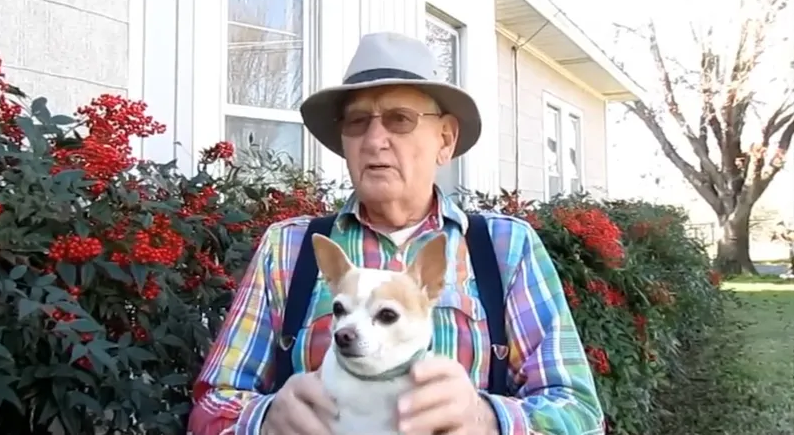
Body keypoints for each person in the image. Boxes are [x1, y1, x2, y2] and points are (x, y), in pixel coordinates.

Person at [188, 32, 604, 435]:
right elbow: (210, 409)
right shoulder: (290, 249)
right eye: (356, 122)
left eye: (399, 119)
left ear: (445, 139)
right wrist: (263, 419)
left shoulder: (504, 248)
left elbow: (579, 414)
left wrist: (487, 419)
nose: (374, 141)